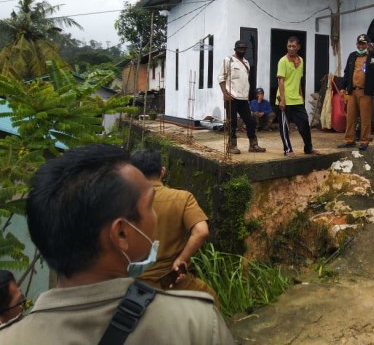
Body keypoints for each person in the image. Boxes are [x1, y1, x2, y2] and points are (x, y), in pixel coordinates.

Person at [0, 144, 234, 344]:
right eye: (149, 207)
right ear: (121, 233)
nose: (154, 216)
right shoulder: (196, 324)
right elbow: (201, 230)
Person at [130, 149, 218, 300]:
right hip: (171, 280)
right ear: (162, 171)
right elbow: (201, 231)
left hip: (133, 284)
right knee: (210, 301)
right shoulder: (182, 198)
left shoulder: (120, 202)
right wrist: (182, 259)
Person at [218, 39, 266, 154]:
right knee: (232, 122)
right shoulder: (228, 60)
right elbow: (221, 78)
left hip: (244, 98)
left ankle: (253, 145)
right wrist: (225, 93)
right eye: (240, 48)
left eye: (244, 49)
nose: (242, 50)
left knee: (250, 122)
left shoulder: (246, 62)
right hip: (232, 97)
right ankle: (231, 146)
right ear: (235, 49)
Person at [338, 33, 374, 151]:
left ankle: (364, 141)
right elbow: (347, 72)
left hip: (366, 92)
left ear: (367, 44)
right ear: (356, 44)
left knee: (365, 118)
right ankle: (349, 140)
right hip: (352, 91)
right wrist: (342, 87)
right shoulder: (352, 56)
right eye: (359, 44)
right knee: (350, 117)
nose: (361, 46)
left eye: (363, 44)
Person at [276, 36, 317, 156]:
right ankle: (288, 150)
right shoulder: (283, 61)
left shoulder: (301, 60)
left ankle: (308, 148)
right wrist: (282, 100)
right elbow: (281, 81)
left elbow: (298, 79)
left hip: (297, 99)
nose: (291, 48)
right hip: (284, 99)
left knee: (304, 123)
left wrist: (301, 95)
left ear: (298, 47)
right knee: (285, 126)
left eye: (294, 46)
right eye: (289, 46)